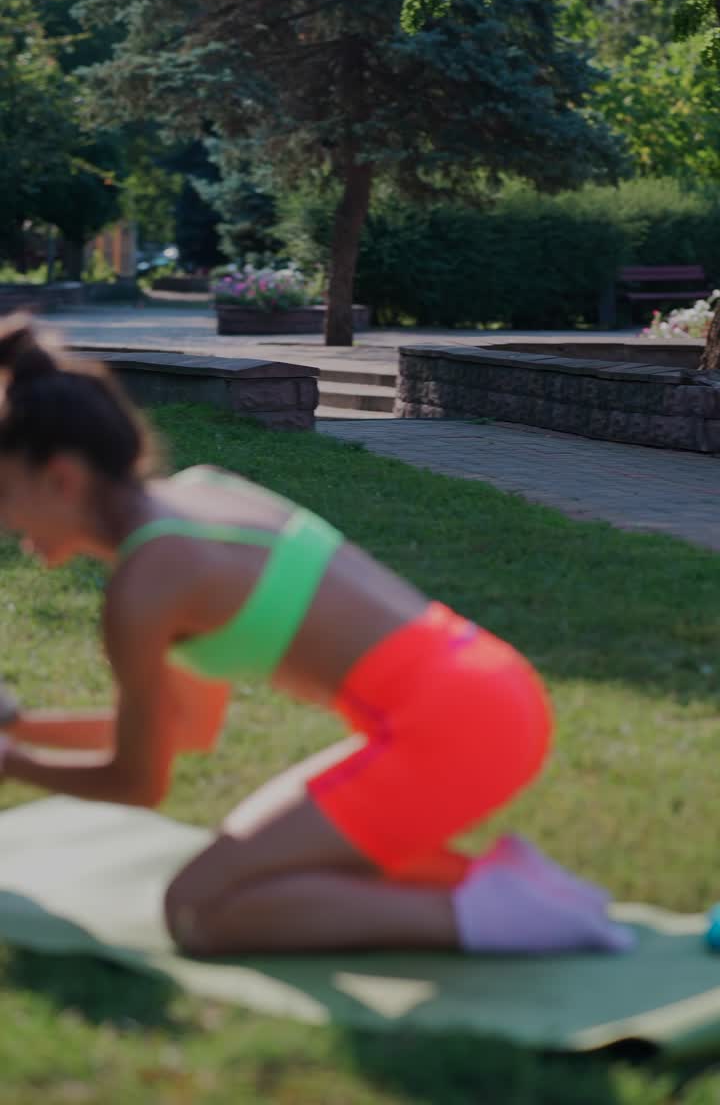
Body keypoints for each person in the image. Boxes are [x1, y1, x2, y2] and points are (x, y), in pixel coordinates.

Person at [0, 316, 632, 957]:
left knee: (197, 909)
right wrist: (21, 726)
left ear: (62, 479)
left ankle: (484, 914)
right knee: (259, 866)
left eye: (3, 494)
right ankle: (509, 883)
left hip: (454, 729)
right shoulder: (200, 494)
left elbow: (139, 784)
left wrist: (13, 764)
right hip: (488, 691)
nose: (4, 520)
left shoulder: (146, 585)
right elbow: (186, 727)